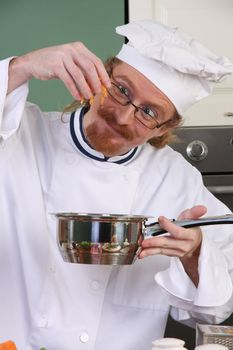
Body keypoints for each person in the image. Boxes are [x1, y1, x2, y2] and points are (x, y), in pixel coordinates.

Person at [1, 20, 233, 350]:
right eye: (122, 90)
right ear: (101, 76)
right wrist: (21, 66)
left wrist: (194, 254)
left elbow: (213, 312)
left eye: (149, 112)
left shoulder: (178, 181)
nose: (123, 117)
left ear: (164, 128)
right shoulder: (19, 135)